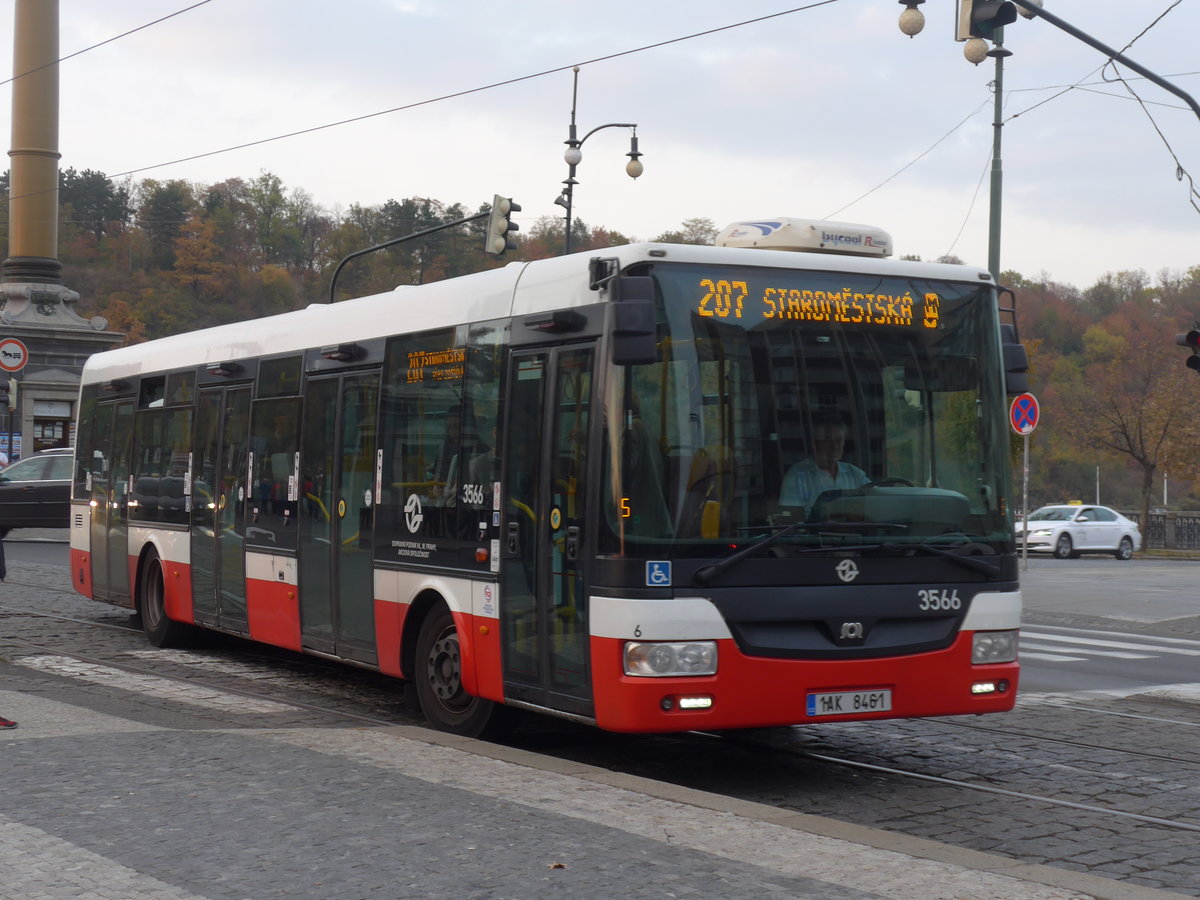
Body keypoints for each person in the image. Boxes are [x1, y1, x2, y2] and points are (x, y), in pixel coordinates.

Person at [779, 411, 868, 510]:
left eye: (839, 440)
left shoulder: (854, 474)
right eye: (828, 440)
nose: (835, 446)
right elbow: (790, 519)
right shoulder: (797, 476)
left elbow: (876, 500)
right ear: (815, 443)